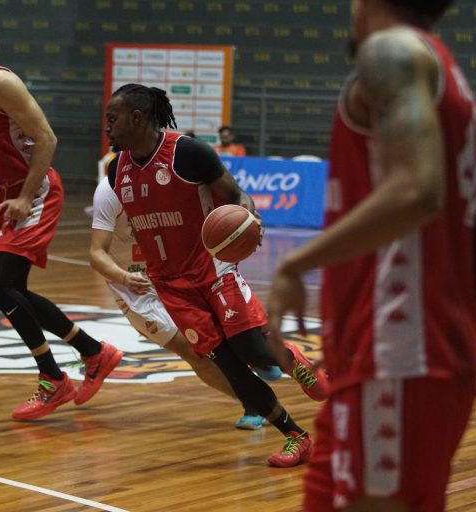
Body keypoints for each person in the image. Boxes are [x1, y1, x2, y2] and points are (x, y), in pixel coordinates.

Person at [267, 0, 476, 509]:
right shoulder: (439, 67)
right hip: (390, 356)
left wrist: (294, 263)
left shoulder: (393, 50)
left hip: (399, 355)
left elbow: (418, 191)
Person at [103, 83, 329, 467]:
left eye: (113, 118)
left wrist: (248, 218)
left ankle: (294, 359)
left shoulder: (189, 154)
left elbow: (237, 195)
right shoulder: (115, 172)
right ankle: (296, 437)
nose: (107, 126)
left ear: (136, 117)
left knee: (252, 350)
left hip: (213, 269)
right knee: (230, 368)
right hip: (172, 285)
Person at [0, 7, 123, 421]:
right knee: (13, 289)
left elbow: (47, 138)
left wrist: (26, 197)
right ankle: (93, 352)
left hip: (36, 188)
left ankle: (53, 377)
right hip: (6, 195)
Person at [89, 174, 282, 430]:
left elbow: (233, 193)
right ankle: (252, 401)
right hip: (135, 284)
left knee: (226, 332)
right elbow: (96, 252)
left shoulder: (175, 170)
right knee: (193, 350)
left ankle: (259, 356)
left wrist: (249, 219)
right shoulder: (110, 190)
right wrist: (124, 277)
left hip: (178, 270)